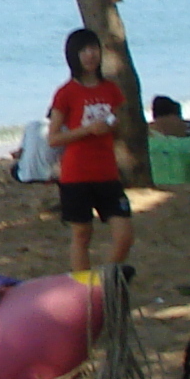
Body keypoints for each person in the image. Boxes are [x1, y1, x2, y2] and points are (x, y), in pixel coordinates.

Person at [46, 27, 134, 274]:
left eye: (93, 48)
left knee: (124, 234)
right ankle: (83, 289)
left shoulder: (111, 90)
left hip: (107, 172)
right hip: (77, 174)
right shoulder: (66, 93)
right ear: (73, 56)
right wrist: (87, 130)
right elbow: (54, 138)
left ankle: (107, 275)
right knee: (82, 234)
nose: (90, 55)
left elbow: (118, 128)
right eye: (83, 50)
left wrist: (113, 127)